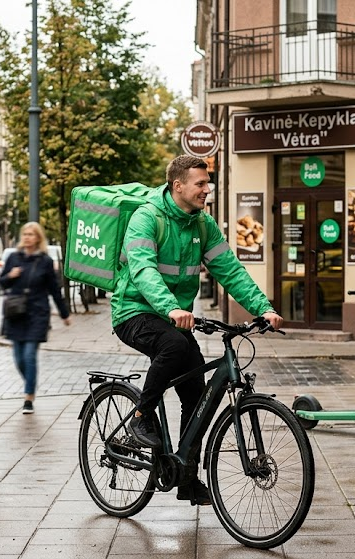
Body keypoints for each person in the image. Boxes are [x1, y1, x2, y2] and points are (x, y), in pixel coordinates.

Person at [112, 155, 283, 506]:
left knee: (197, 397)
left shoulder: (203, 225)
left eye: (208, 183)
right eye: (200, 184)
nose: (207, 190)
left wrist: (262, 308)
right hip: (134, 311)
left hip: (175, 318)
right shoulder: (147, 218)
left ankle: (186, 478)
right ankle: (140, 418)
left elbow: (230, 270)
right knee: (174, 346)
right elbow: (143, 270)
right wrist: (170, 307)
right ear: (178, 186)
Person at [0, 222, 72, 414]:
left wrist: (64, 313)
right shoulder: (14, 258)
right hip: (16, 313)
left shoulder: (45, 261)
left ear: (38, 238)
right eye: (25, 234)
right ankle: (30, 382)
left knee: (29, 355)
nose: (27, 237)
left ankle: (28, 397)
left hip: (37, 314)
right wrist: (11, 275)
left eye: (31, 234)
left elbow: (54, 290)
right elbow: (2, 283)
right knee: (18, 358)